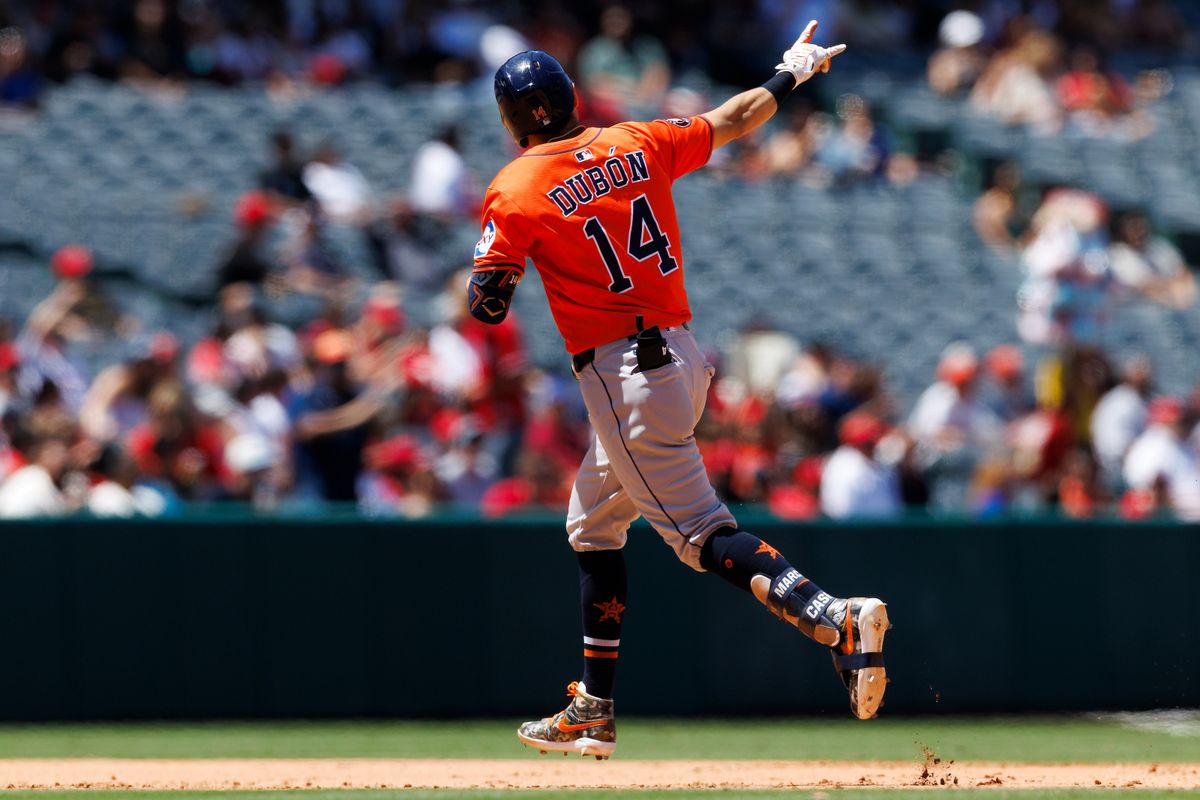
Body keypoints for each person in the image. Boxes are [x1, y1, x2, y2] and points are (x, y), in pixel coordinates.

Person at [472, 30, 889, 761]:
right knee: (593, 527)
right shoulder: (636, 139)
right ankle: (593, 708)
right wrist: (792, 73)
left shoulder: (517, 186)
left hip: (621, 378)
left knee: (700, 536)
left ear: (513, 118)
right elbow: (732, 120)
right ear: (570, 96)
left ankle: (835, 616)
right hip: (682, 358)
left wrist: (496, 274)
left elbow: (487, 306)